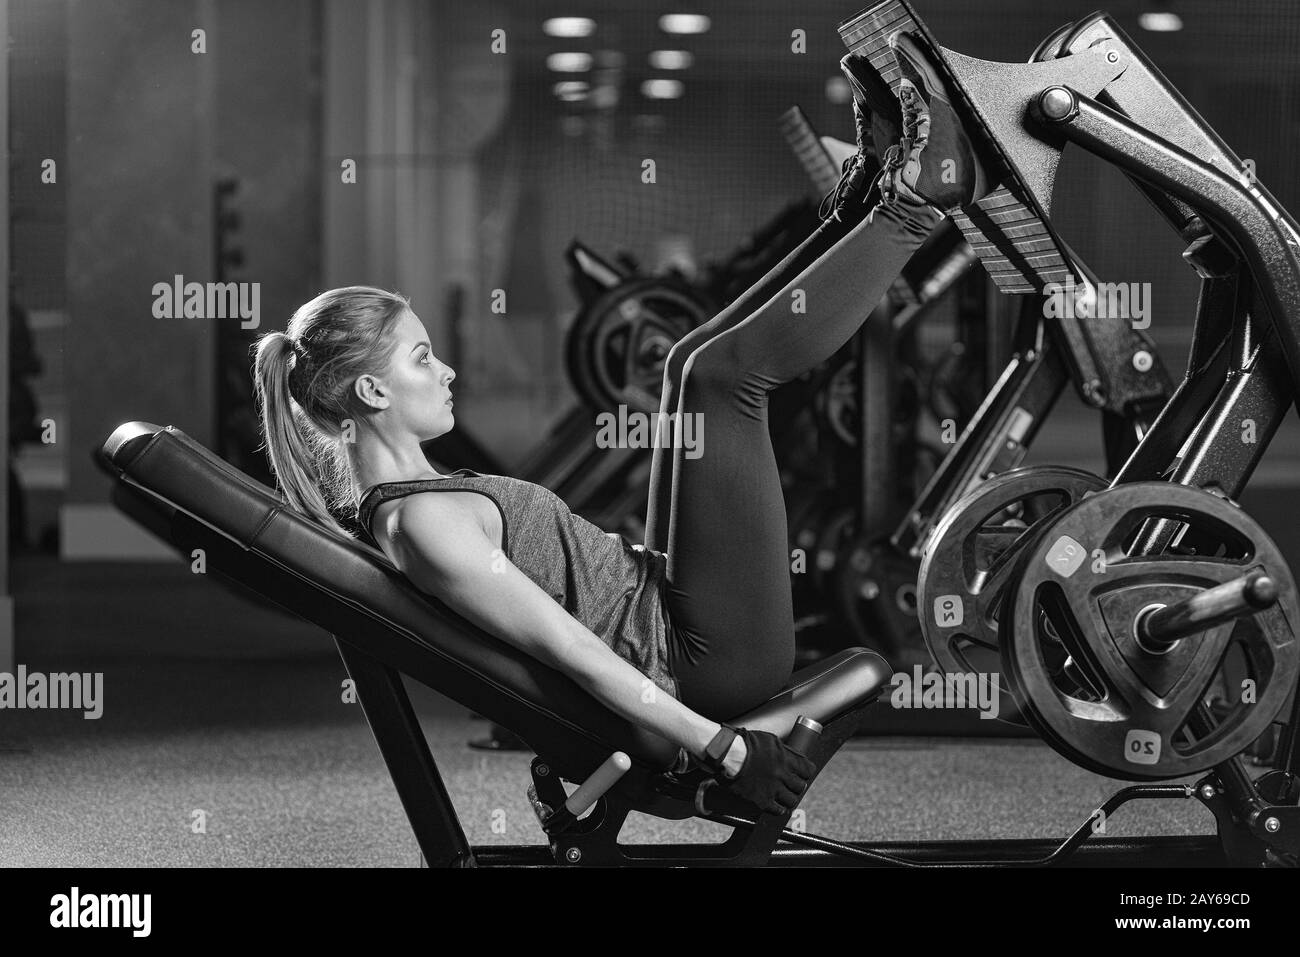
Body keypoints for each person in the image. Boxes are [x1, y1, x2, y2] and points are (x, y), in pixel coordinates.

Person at [252, 33, 996, 817]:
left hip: (677, 608)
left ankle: (861, 203)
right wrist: (722, 745)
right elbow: (567, 649)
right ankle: (916, 200)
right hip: (701, 656)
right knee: (723, 381)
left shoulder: (418, 501)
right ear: (371, 389)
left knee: (686, 366)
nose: (448, 372)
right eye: (422, 358)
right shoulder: (424, 522)